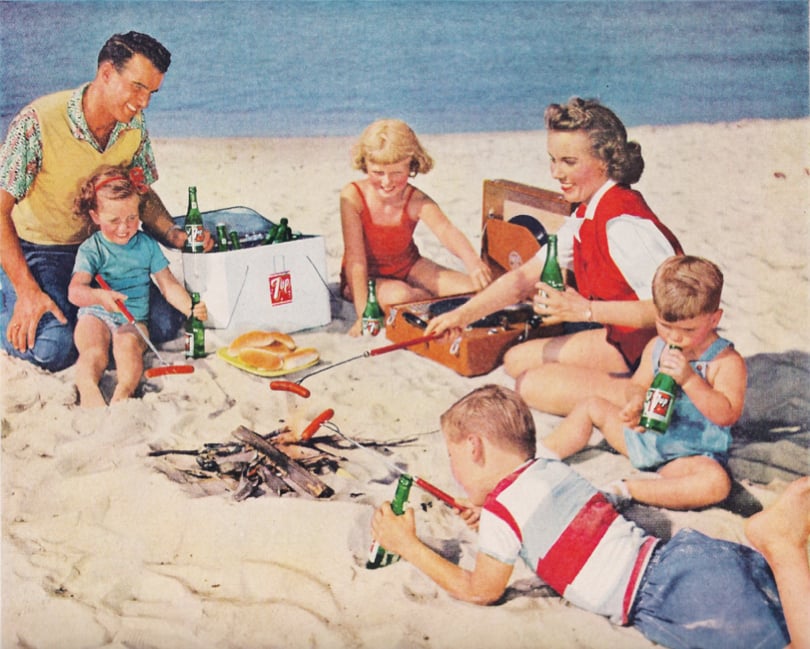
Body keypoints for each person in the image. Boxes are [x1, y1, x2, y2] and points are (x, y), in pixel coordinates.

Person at [372, 385, 792, 649]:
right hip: (688, 557)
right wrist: (492, 515)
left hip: (660, 593)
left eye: (453, 456)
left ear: (475, 447)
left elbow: (481, 591)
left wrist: (407, 546)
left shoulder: (503, 513)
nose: (453, 470)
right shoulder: (550, 471)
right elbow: (558, 521)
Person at [425, 98, 682, 415]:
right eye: (553, 160)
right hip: (623, 342)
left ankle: (651, 401)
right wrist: (461, 316)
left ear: (605, 161)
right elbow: (522, 278)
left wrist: (585, 311)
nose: (555, 173)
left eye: (569, 162)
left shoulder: (623, 224)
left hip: (660, 356)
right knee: (514, 360)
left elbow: (669, 311)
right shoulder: (588, 212)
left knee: (531, 385)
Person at [0, 31, 212, 372]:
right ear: (107, 74)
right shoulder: (37, 122)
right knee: (55, 349)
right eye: (138, 87)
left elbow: (141, 193)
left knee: (162, 324)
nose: (144, 102)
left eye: (151, 93)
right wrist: (26, 290)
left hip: (106, 245)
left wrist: (175, 235)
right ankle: (6, 300)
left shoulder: (134, 125)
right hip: (42, 248)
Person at [541, 256, 746, 510]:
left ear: (714, 320)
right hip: (645, 439)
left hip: (688, 455)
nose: (674, 336)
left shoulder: (725, 361)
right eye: (665, 325)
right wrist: (636, 402)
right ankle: (541, 457)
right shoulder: (657, 346)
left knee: (715, 484)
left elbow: (727, 414)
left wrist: (690, 379)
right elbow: (637, 384)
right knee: (591, 406)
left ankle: (625, 489)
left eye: (688, 330)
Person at [68, 165, 207, 408]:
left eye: (131, 218)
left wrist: (190, 309)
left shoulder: (146, 245)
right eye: (114, 220)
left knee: (128, 347)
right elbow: (75, 291)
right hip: (96, 314)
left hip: (133, 319)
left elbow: (168, 285)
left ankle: (124, 392)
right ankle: (88, 388)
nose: (124, 228)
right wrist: (99, 296)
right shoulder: (92, 249)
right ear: (95, 217)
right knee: (93, 352)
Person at [340, 118, 492, 336]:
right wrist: (364, 313)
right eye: (378, 172)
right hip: (365, 277)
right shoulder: (353, 196)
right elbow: (356, 260)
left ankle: (424, 298)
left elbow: (445, 231)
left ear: (412, 165)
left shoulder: (416, 199)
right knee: (401, 296)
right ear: (365, 164)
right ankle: (423, 299)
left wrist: (473, 262)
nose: (387, 182)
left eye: (396, 173)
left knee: (478, 290)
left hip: (408, 265)